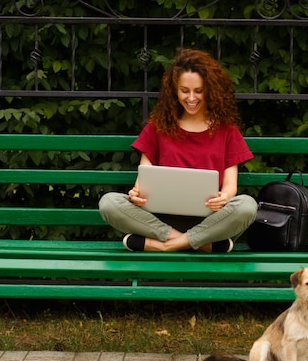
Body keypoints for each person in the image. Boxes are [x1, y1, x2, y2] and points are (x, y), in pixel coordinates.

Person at [98, 48, 257, 252]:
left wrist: (224, 198)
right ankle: (199, 244)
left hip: (209, 220)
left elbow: (230, 185)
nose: (191, 98)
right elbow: (143, 177)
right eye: (184, 90)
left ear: (210, 89)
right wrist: (136, 193)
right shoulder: (157, 126)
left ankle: (166, 245)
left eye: (198, 91)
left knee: (247, 206)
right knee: (109, 203)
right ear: (174, 90)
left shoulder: (226, 130)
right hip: (159, 220)